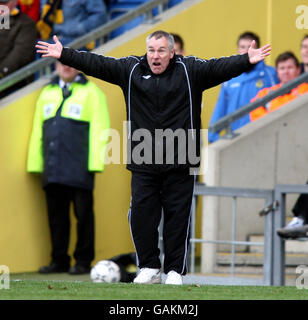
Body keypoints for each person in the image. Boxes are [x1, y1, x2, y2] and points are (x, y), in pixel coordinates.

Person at [36, 30, 271, 284]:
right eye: (151, 50)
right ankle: (148, 267)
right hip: (143, 157)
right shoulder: (131, 69)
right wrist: (66, 54)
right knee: (141, 214)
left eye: (161, 51)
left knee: (178, 217)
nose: (155, 56)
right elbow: (99, 64)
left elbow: (220, 67)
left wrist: (246, 59)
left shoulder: (190, 70)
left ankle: (174, 271)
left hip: (181, 156)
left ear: (172, 53)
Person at [27, 61, 110, 274]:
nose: (66, 67)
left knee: (83, 216)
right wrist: (36, 164)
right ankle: (59, 260)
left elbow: (101, 129)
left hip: (80, 167)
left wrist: (95, 163)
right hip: (53, 167)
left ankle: (83, 260)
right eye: (62, 62)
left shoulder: (93, 92)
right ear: (55, 65)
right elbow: (38, 129)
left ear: (78, 64)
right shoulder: (47, 92)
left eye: (71, 62)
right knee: (56, 217)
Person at [208, 31, 279, 143]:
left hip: (263, 138)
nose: (247, 51)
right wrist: (216, 138)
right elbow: (219, 112)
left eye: (250, 47)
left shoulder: (270, 74)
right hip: (236, 139)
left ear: (257, 49)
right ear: (237, 50)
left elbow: (280, 105)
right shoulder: (228, 79)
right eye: (242, 47)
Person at [250, 51, 308, 121]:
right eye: (282, 68)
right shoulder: (266, 93)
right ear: (277, 72)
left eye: (290, 67)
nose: (286, 72)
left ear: (298, 70)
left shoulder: (306, 89)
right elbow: (254, 110)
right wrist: (271, 119)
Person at [0, 0, 37, 99]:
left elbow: (20, 55)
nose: (1, 6)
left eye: (5, 3)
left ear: (15, 2)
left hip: (13, 83)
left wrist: (2, 72)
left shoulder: (26, 24)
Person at [37, 0, 107, 47]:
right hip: (56, 40)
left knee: (46, 48)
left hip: (81, 40)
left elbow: (100, 16)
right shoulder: (45, 1)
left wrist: (78, 29)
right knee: (37, 46)